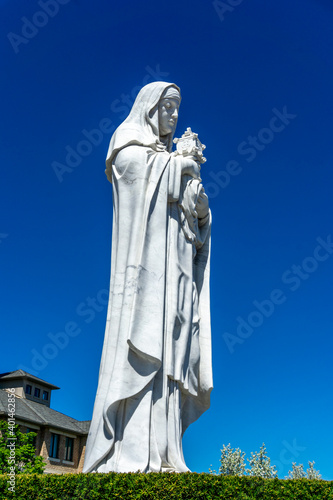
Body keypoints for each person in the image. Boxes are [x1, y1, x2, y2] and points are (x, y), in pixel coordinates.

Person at [83, 81, 212, 473]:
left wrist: (200, 207)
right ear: (150, 107)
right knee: (142, 352)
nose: (173, 116)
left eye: (177, 109)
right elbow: (134, 176)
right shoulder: (128, 141)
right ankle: (127, 455)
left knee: (174, 354)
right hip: (144, 281)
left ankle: (165, 453)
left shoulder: (165, 157)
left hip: (174, 278)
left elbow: (194, 222)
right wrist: (180, 165)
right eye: (168, 107)